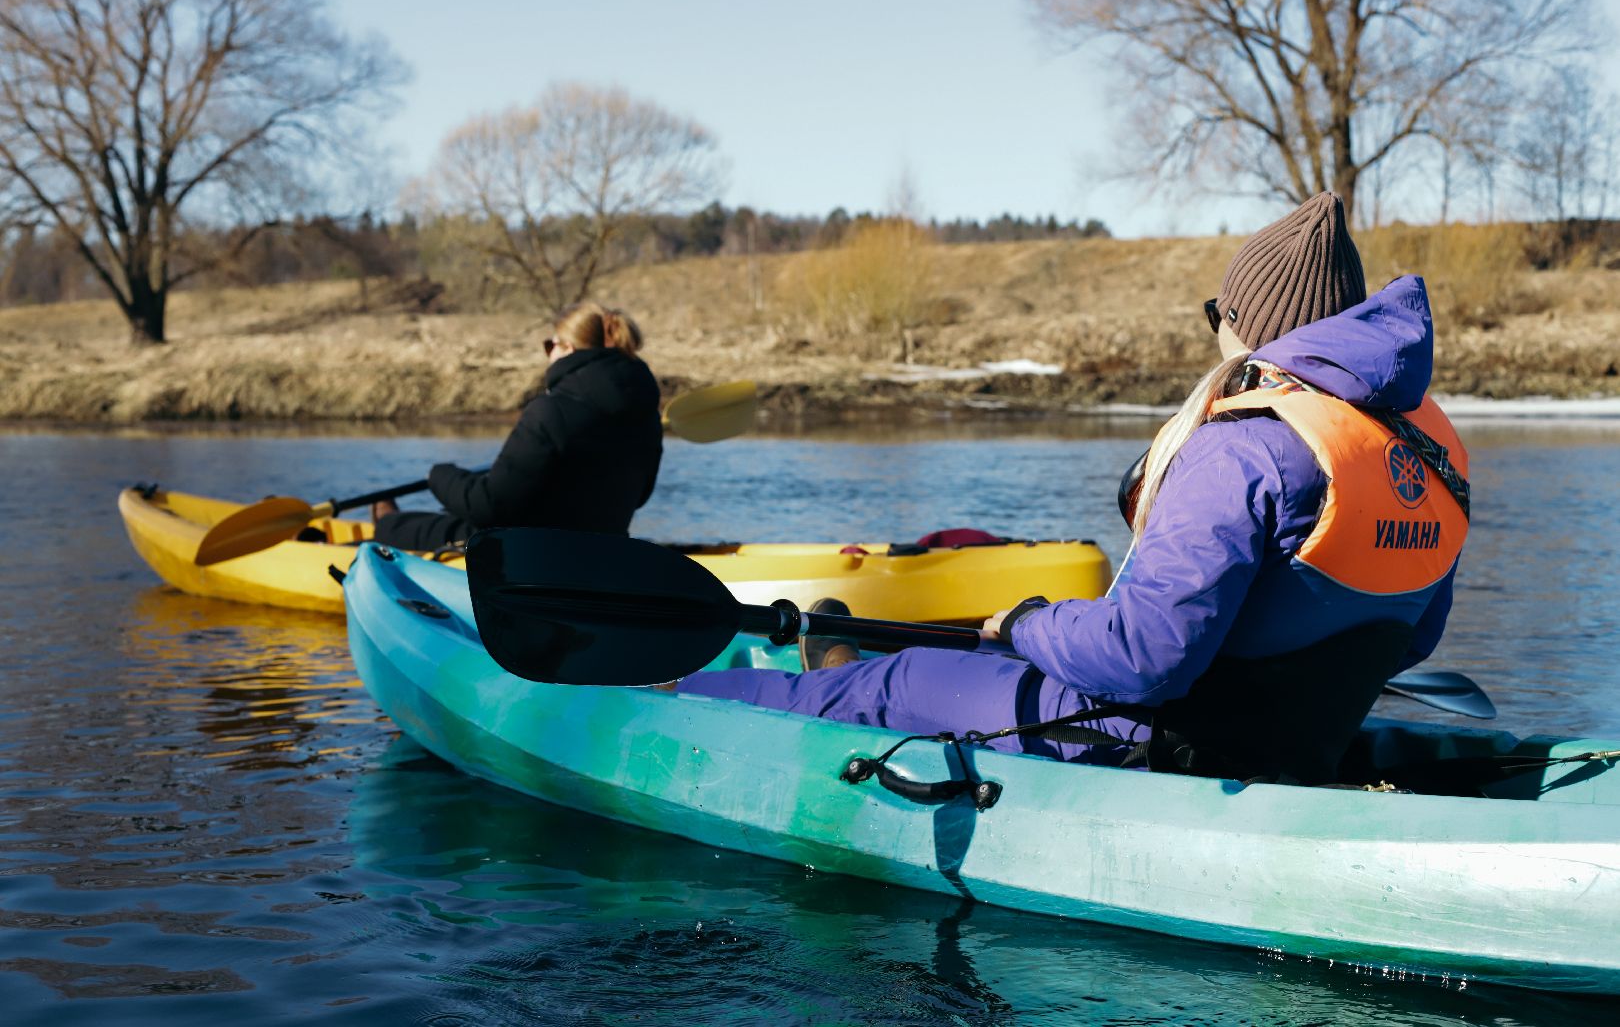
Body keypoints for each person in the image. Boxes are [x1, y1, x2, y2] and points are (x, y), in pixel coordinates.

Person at [676, 193, 1471, 786]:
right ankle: (833, 670)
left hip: (1155, 743)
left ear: (1249, 324)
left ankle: (672, 697)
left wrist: (1029, 623)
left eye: (1216, 313)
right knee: (902, 668)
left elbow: (1145, 658)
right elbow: (1414, 639)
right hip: (1292, 742)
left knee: (902, 681)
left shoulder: (1248, 449)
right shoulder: (1423, 457)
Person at [371, 301, 663, 551]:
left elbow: (489, 507)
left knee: (397, 528)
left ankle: (385, 523)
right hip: (606, 549)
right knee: (445, 517)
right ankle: (390, 518)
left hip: (527, 557)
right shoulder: (646, 416)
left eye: (550, 344)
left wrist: (438, 475)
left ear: (567, 348)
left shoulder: (550, 411)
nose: (548, 353)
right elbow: (640, 497)